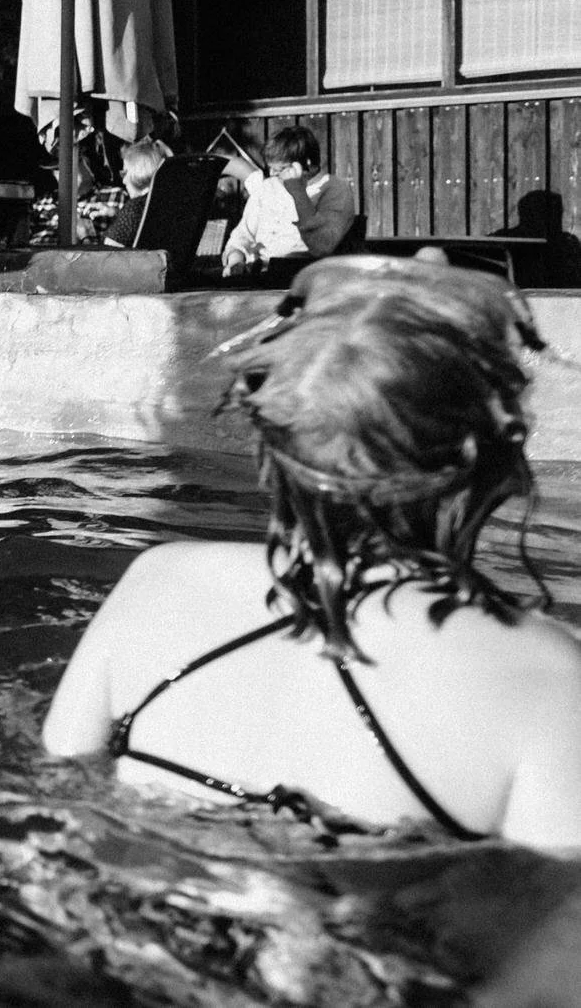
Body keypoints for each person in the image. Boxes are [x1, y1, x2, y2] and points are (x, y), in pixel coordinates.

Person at [40, 254, 581, 846]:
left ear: (273, 441)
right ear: (494, 460)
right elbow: (555, 919)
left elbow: (55, 803)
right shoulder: (545, 675)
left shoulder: (159, 580)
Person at [219, 125, 358, 276]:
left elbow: (321, 246)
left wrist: (297, 191)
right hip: (261, 276)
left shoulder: (335, 189)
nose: (273, 174)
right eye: (271, 168)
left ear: (308, 163)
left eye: (280, 169)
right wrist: (235, 261)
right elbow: (242, 236)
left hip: (308, 276)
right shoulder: (267, 187)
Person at [101, 138, 168, 248]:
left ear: (138, 172)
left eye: (125, 173)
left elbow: (107, 256)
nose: (123, 180)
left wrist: (84, 236)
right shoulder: (167, 201)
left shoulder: (134, 209)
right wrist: (117, 215)